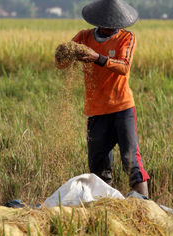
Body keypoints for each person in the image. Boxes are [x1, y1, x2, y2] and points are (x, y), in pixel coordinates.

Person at [55, 0, 150, 197]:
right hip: (96, 111)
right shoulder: (84, 37)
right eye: (106, 24)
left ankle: (145, 204)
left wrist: (97, 58)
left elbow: (123, 66)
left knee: (131, 160)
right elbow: (62, 64)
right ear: (98, 21)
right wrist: (62, 54)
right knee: (98, 165)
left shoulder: (126, 38)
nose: (109, 28)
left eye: (114, 24)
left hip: (122, 108)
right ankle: (103, 205)